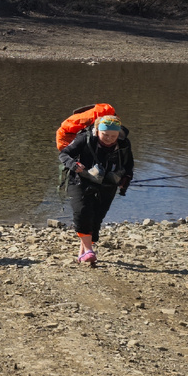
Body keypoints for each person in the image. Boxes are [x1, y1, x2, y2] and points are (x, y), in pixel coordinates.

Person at [59, 114, 134, 266]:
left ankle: (84, 252)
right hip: (80, 180)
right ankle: (89, 250)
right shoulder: (84, 139)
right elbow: (64, 154)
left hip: (108, 183)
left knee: (97, 217)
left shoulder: (124, 143)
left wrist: (125, 180)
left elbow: (129, 165)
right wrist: (74, 165)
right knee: (82, 212)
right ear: (97, 130)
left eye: (113, 136)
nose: (109, 139)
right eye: (105, 134)